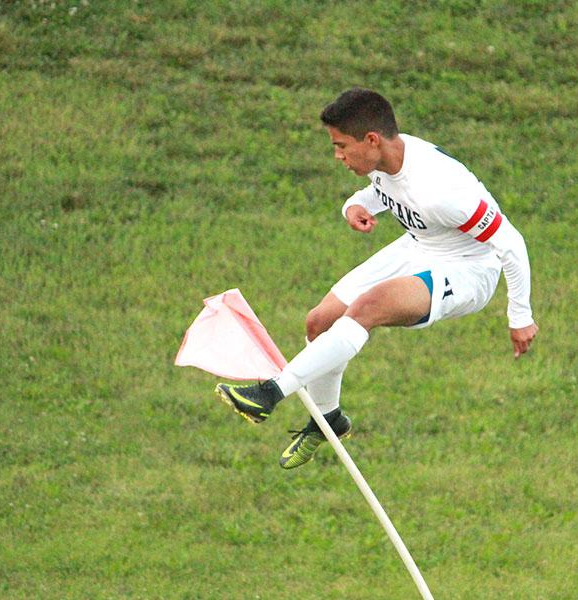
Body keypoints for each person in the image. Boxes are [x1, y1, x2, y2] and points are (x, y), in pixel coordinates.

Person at [216, 87, 538, 469]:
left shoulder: (442, 191)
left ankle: (269, 393)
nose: (337, 156)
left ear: (371, 140)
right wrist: (353, 205)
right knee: (318, 322)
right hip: (419, 245)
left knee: (367, 307)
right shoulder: (388, 158)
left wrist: (520, 316)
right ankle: (329, 420)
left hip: (467, 269)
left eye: (341, 146)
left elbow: (511, 244)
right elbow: (381, 192)